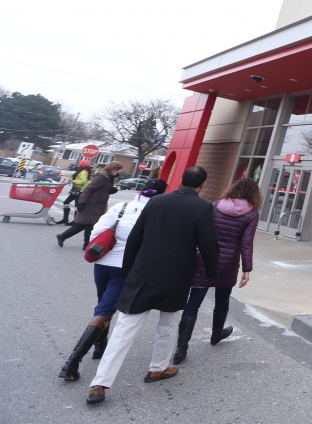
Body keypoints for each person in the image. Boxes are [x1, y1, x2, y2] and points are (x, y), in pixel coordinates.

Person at [86, 166, 219, 405]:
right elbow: (209, 244)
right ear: (202, 185)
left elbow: (136, 236)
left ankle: (100, 383)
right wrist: (212, 272)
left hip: (144, 273)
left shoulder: (156, 202)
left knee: (125, 327)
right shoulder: (202, 207)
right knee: (168, 324)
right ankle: (158, 368)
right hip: (176, 276)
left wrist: (129, 268)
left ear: (181, 181)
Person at [57, 179, 168, 382]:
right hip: (124, 268)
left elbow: (98, 230)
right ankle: (71, 363)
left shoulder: (122, 206)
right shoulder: (154, 214)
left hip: (102, 262)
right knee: (105, 310)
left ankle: (100, 345)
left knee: (102, 305)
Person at [173, 177, 261, 364]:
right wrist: (247, 268)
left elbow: (202, 231)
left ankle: (181, 348)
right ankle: (216, 334)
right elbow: (246, 242)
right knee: (222, 299)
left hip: (205, 257)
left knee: (194, 300)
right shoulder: (252, 214)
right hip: (228, 261)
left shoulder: (216, 205)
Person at [56, 162, 123, 249]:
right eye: (117, 170)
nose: (118, 172)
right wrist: (82, 202)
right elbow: (89, 189)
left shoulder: (108, 177)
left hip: (97, 204)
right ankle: (84, 243)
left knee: (87, 224)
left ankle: (72, 239)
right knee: (87, 224)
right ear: (112, 169)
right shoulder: (102, 177)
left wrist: (111, 189)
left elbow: (102, 188)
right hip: (91, 204)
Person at [56, 160, 93, 226]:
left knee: (76, 205)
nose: (79, 165)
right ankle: (65, 219)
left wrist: (73, 181)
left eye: (80, 164)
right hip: (76, 190)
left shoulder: (84, 172)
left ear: (82, 165)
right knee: (66, 202)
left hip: (80, 190)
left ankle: (75, 221)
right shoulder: (81, 171)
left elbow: (83, 181)